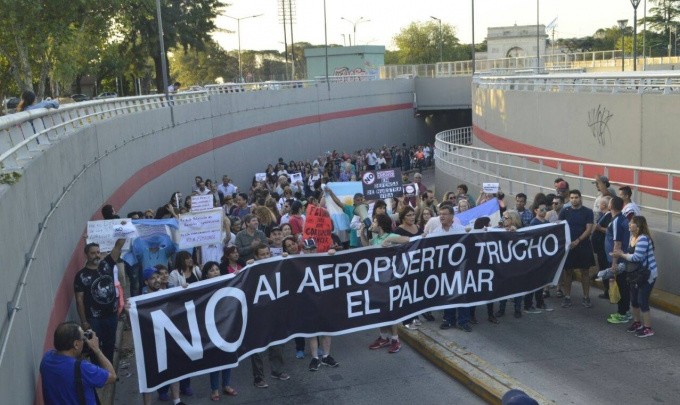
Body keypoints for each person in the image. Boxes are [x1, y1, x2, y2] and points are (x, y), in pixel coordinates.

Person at [361, 214, 410, 353]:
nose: (372, 224)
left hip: (389, 280)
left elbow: (407, 239)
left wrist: (389, 241)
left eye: (375, 221)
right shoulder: (376, 237)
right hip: (377, 280)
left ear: (381, 225)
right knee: (380, 309)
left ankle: (395, 340)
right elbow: (366, 248)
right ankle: (383, 337)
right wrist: (362, 234)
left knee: (389, 310)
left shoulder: (390, 236)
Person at [40, 322, 116, 405]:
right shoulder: (83, 368)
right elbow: (112, 376)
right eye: (83, 338)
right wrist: (97, 350)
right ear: (76, 344)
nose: (85, 341)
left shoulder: (46, 359)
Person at [74, 239, 124, 364]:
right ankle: (96, 370)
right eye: (93, 253)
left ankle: (109, 368)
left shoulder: (106, 264)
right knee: (94, 347)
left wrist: (123, 231)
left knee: (110, 344)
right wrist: (84, 321)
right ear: (86, 255)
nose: (97, 255)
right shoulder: (81, 276)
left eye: (98, 252)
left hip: (111, 315)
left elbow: (118, 246)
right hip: (94, 319)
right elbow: (79, 300)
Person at [247, 244, 290, 387]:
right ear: (256, 256)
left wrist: (287, 259)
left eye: (267, 254)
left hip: (275, 312)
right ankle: (258, 377)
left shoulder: (277, 265)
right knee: (257, 347)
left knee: (278, 342)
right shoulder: (251, 269)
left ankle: (277, 371)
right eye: (262, 254)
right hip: (257, 314)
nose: (266, 257)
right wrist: (247, 266)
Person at [611, 216, 658, 337]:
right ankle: (637, 323)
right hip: (636, 274)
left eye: (631, 223)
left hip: (647, 274)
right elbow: (630, 256)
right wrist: (622, 255)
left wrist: (621, 254)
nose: (629, 224)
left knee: (642, 300)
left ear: (638, 226)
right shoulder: (633, 237)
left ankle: (648, 328)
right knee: (634, 300)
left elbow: (637, 257)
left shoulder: (643, 239)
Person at [202, 262, 239, 400]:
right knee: (215, 359)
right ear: (206, 274)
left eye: (217, 269)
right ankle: (215, 389)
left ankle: (226, 385)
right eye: (212, 270)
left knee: (228, 355)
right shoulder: (201, 288)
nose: (215, 272)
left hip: (226, 325)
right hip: (211, 327)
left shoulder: (227, 282)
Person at [558, 190, 595, 309]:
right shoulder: (564, 211)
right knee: (567, 272)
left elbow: (589, 229)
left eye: (576, 197)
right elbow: (559, 227)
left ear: (580, 198)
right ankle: (567, 297)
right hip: (569, 247)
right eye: (572, 198)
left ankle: (586, 297)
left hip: (583, 246)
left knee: (585, 272)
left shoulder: (588, 212)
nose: (574, 200)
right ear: (569, 199)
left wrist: (578, 240)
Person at [605, 196, 632, 325]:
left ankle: (622, 313)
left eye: (609, 202)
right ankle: (626, 311)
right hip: (621, 259)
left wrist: (614, 263)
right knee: (623, 286)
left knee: (622, 286)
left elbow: (617, 244)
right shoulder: (621, 219)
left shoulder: (617, 221)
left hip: (619, 260)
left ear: (611, 205)